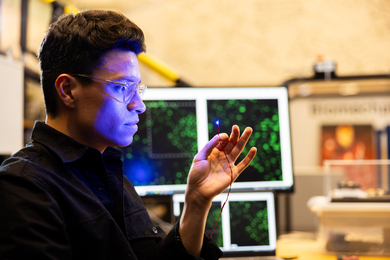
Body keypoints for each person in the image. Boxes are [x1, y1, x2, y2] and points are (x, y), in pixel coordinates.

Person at [0, 9, 257, 260]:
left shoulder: (113, 177)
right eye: (122, 87)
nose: (139, 104)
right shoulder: (23, 188)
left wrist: (197, 200)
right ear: (67, 90)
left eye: (139, 89)